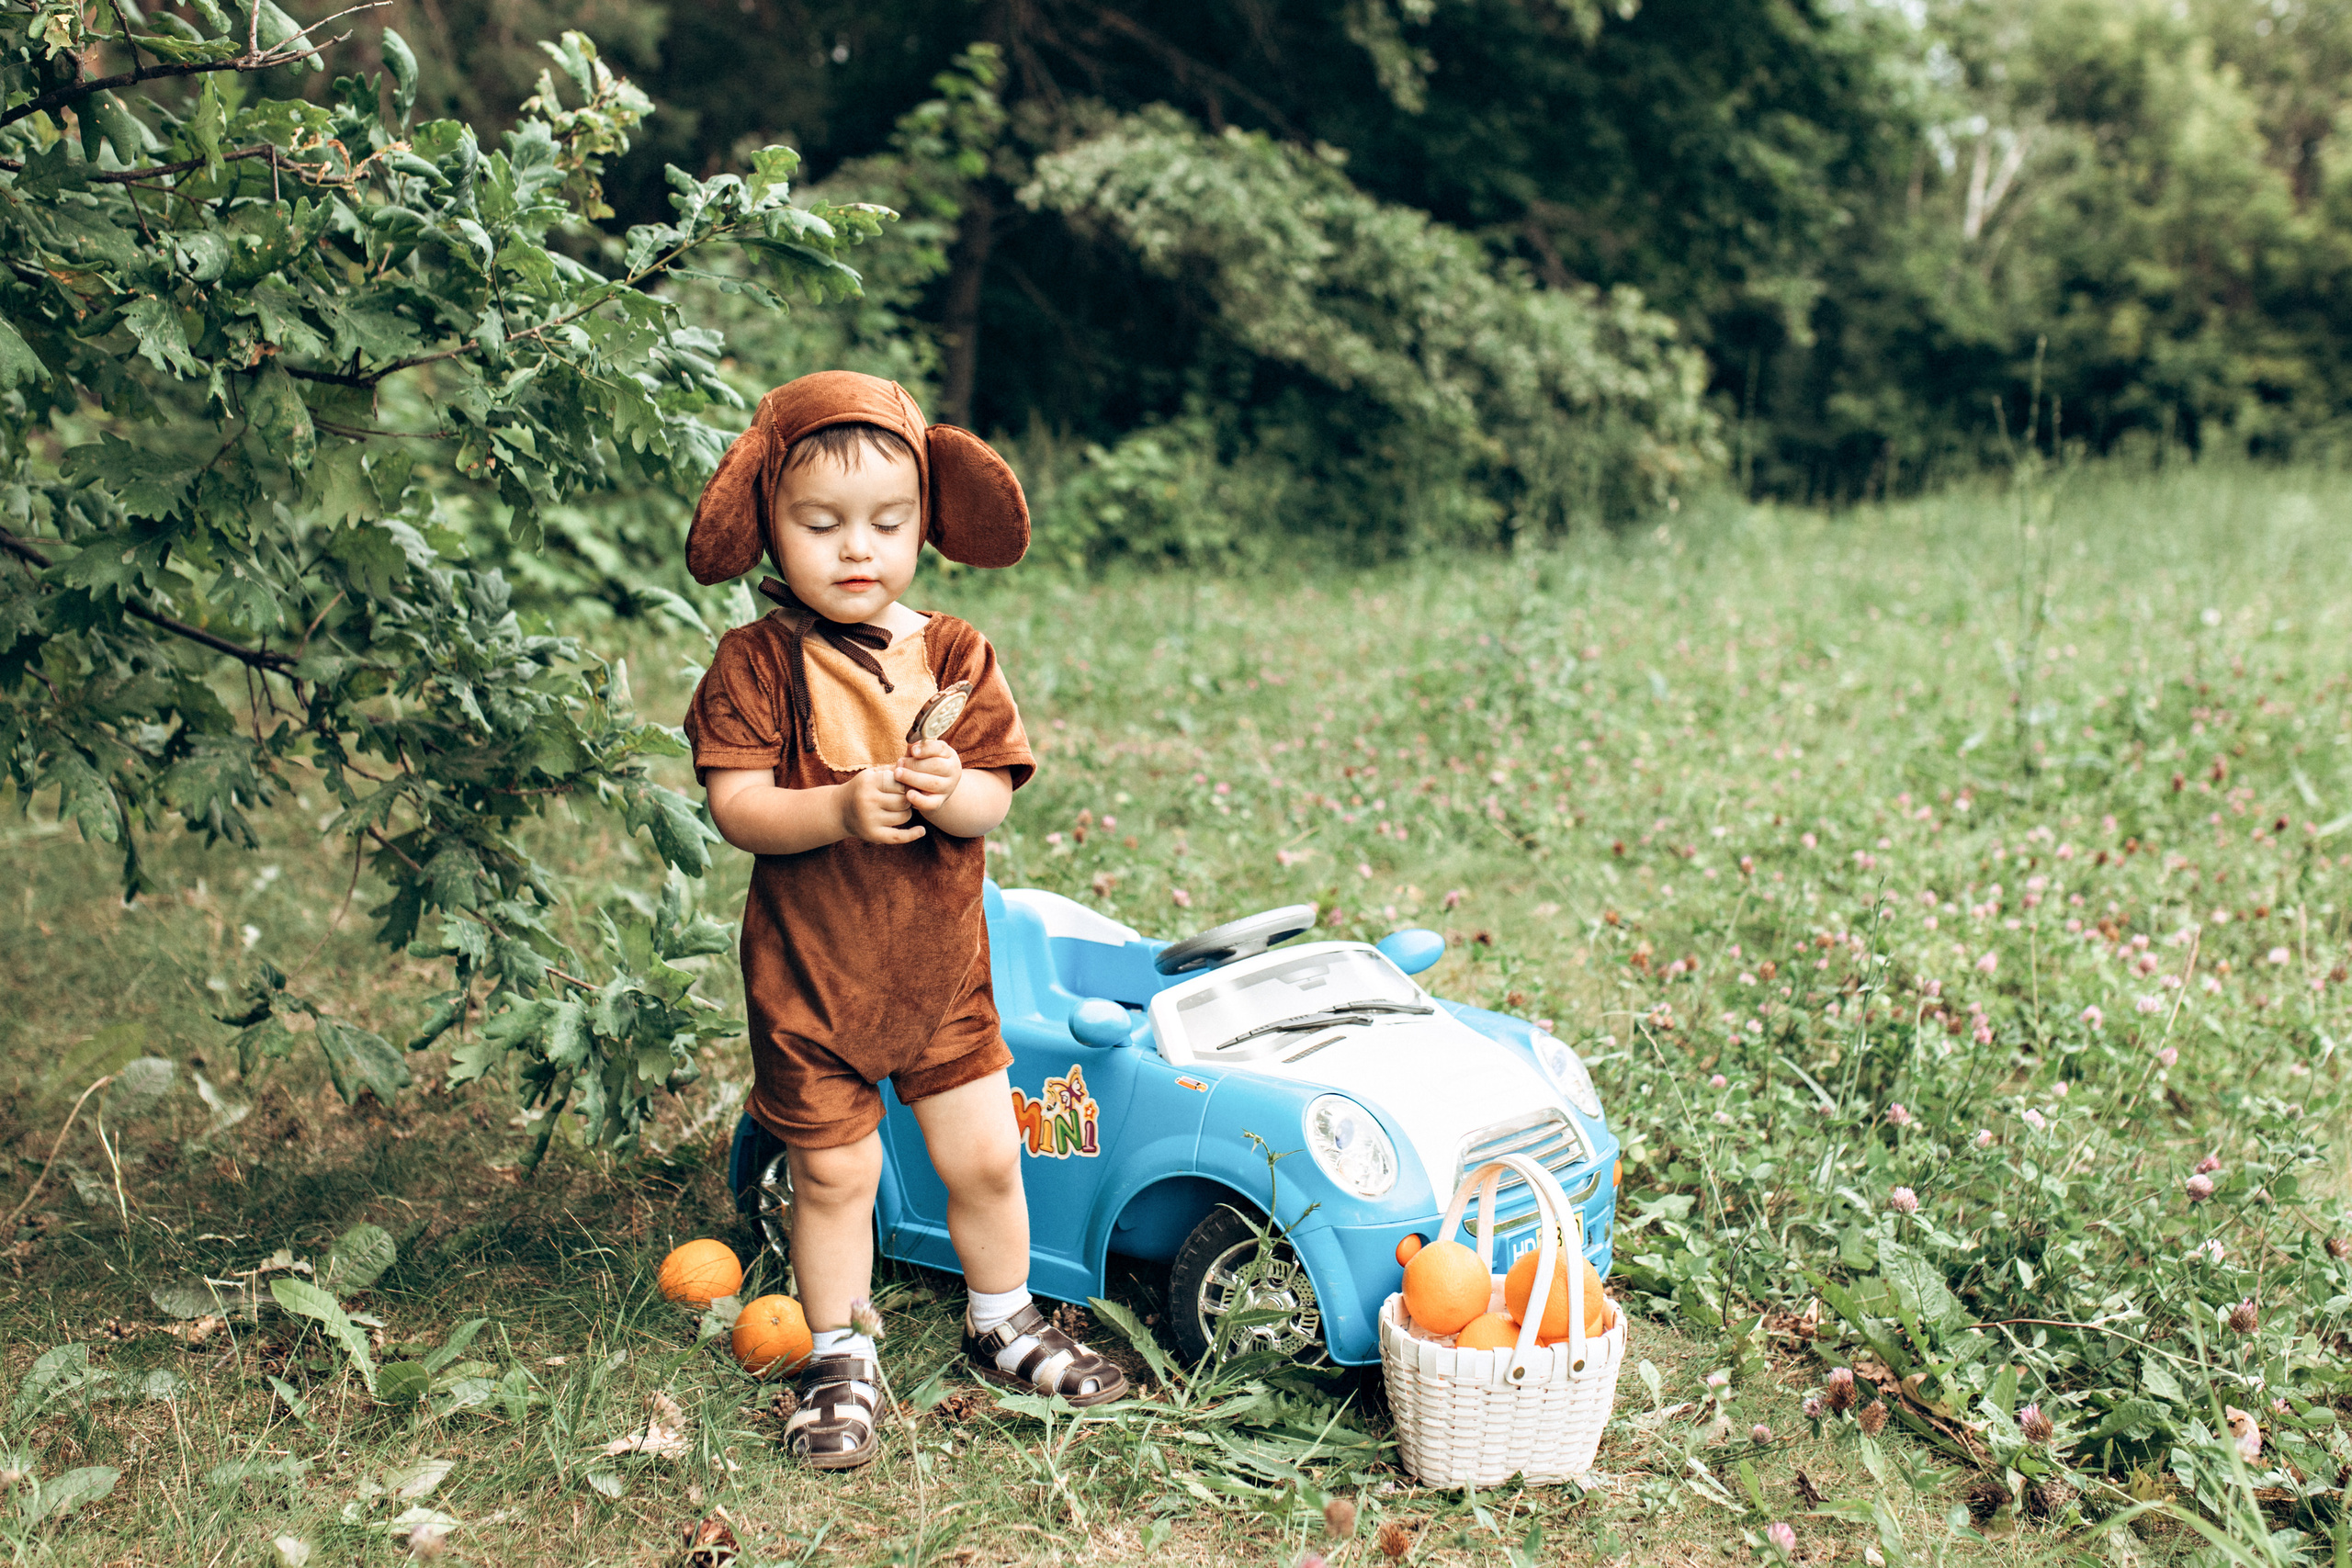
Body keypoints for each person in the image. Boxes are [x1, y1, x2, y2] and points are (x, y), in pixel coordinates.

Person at [680, 372, 1126, 1471]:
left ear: (927, 518)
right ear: (768, 527)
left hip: (939, 975)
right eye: (819, 525)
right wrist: (835, 805)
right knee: (835, 1174)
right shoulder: (755, 665)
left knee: (983, 1158)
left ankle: (1004, 1316)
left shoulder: (957, 654)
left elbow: (994, 800)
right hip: (810, 978)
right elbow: (739, 810)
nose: (855, 549)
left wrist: (946, 791)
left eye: (888, 522)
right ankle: (837, 1350)